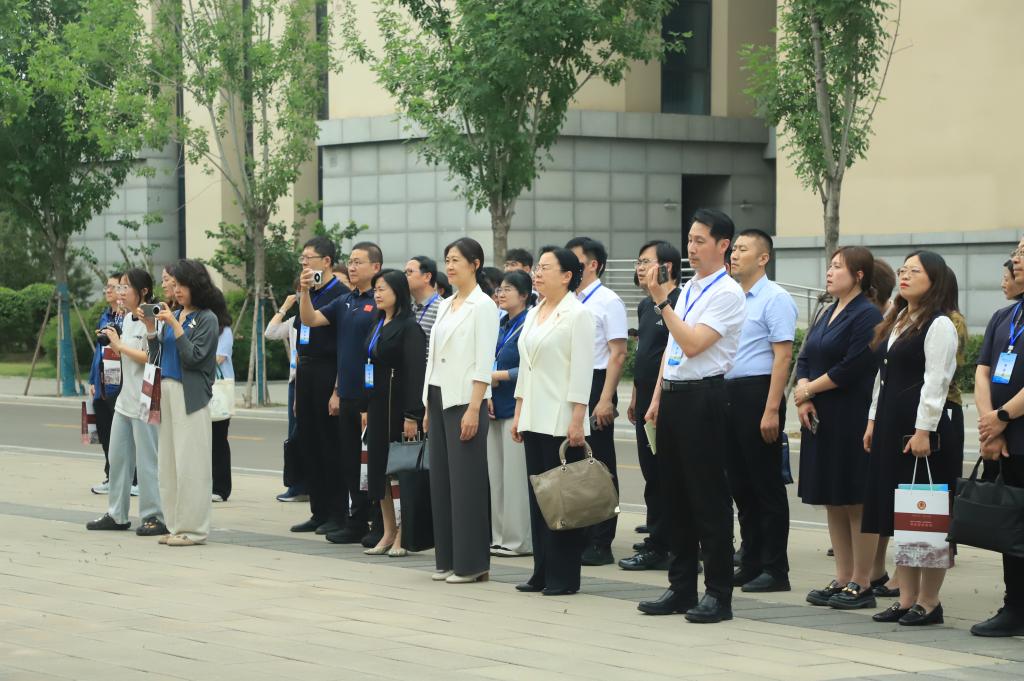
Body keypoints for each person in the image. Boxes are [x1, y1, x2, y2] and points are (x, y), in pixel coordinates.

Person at [637, 209, 746, 624]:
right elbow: (672, 350)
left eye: (700, 241)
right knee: (675, 496)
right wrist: (657, 396)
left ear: (723, 245)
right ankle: (681, 586)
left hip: (705, 398)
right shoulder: (690, 289)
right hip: (674, 396)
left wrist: (662, 302)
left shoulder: (727, 293)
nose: (691, 248)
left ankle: (718, 593)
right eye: (690, 240)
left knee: (708, 499)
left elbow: (694, 343)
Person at [860, 251, 960, 626]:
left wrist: (923, 430)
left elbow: (936, 382)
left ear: (934, 280)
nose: (904, 276)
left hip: (922, 432)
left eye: (914, 271)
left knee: (926, 516)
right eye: (903, 270)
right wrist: (873, 420)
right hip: (891, 425)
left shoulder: (940, 325)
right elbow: (882, 378)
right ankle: (905, 599)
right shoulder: (899, 317)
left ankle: (929, 602)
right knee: (902, 515)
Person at [794, 246, 883, 609]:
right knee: (833, 498)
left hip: (851, 415)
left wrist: (808, 390)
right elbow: (805, 356)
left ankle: (863, 582)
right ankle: (843, 577)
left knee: (855, 498)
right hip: (821, 416)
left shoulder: (867, 314)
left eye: (838, 267)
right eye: (829, 266)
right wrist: (804, 395)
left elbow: (853, 366)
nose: (829, 272)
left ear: (859, 275)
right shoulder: (827, 310)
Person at [511, 248, 594, 595]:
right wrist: (519, 410)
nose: (538, 273)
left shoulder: (578, 314)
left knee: (561, 500)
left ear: (567, 275)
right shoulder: (535, 312)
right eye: (537, 268)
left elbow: (582, 370)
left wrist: (577, 419)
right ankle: (541, 571)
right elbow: (526, 367)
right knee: (538, 497)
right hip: (533, 415)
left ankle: (564, 576)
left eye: (546, 268)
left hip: (561, 419)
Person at [725, 230, 798, 593]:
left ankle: (775, 568)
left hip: (758, 394)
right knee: (740, 485)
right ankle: (751, 560)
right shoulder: (731, 297)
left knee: (765, 485)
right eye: (734, 249)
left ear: (763, 258)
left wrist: (771, 410)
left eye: (742, 249)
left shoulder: (775, 298)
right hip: (728, 394)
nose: (734, 255)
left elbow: (782, 357)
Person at [423, 237, 499, 583]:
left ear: (475, 264)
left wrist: (474, 407)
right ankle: (448, 559)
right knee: (441, 483)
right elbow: (434, 356)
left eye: (456, 260)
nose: (450, 266)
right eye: (447, 260)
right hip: (439, 395)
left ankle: (472, 564)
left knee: (466, 483)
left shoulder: (483, 306)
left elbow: (483, 361)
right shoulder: (445, 304)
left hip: (465, 399)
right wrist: (428, 404)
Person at [299, 241, 382, 544]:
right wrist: (304, 292)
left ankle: (377, 522)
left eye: (359, 262)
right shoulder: (345, 300)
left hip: (369, 395)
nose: (352, 266)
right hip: (346, 392)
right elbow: (310, 319)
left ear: (376, 267)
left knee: (369, 462)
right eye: (351, 261)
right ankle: (355, 520)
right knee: (349, 460)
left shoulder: (378, 302)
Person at [142, 259, 222, 546]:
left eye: (181, 285)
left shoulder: (207, 319)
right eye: (173, 285)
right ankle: (175, 525)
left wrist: (175, 325)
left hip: (190, 397)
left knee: (191, 464)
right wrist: (151, 328)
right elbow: (156, 356)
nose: (175, 290)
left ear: (195, 285)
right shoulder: (174, 314)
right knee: (168, 465)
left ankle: (194, 529)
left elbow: (194, 357)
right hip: (166, 391)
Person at [85, 269, 166, 536]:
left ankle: (154, 516)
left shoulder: (152, 318)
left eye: (125, 287)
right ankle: (117, 514)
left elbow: (152, 357)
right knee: (118, 459)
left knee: (147, 461)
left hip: (146, 399)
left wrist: (120, 346)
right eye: (118, 287)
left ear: (143, 291)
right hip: (125, 400)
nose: (120, 293)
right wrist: (112, 342)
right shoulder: (127, 318)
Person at [971, 249, 1024, 637]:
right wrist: (991, 424)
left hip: (1010, 426)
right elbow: (982, 372)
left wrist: (1002, 416)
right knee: (1012, 526)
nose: (1017, 259)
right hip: (1006, 440)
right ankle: (1015, 606)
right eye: (1016, 252)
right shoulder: (1005, 316)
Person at [565, 237, 628, 567]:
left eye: (575, 261)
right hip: (572, 383)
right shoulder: (569, 301)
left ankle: (602, 541)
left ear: (593, 265)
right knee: (576, 463)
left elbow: (618, 353)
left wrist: (605, 399)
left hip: (597, 384)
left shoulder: (608, 301)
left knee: (600, 464)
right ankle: (582, 533)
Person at [620, 240, 681, 572]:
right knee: (651, 472)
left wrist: (655, 397)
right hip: (645, 399)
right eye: (638, 262)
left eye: (646, 262)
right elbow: (645, 352)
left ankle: (668, 544)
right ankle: (659, 538)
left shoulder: (679, 301)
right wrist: (635, 395)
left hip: (668, 399)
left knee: (668, 473)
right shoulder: (646, 306)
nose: (639, 268)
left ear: (667, 267)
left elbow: (672, 353)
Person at [362, 269, 427, 557]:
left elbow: (415, 373)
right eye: (375, 289)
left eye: (382, 289)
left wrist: (412, 415)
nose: (377, 294)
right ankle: (388, 531)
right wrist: (364, 406)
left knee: (399, 470)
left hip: (398, 405)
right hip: (377, 404)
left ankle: (403, 533)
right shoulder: (378, 323)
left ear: (398, 292)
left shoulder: (409, 327)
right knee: (379, 471)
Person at [288, 237, 348, 533]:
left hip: (328, 369)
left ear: (326, 262)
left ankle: (337, 513)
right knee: (309, 442)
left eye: (309, 258)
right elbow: (300, 339)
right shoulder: (308, 292)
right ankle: (318, 511)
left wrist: (337, 389)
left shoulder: (340, 295)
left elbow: (343, 347)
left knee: (329, 445)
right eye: (302, 258)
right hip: (306, 371)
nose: (304, 263)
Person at [487, 270, 534, 558]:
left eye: (508, 289)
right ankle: (499, 536)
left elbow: (531, 366)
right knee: (497, 478)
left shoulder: (529, 323)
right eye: (499, 289)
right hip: (495, 404)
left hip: (516, 406)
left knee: (515, 478)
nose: (501, 294)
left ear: (524, 295)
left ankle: (518, 540)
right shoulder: (501, 323)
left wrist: (499, 376)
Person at [265, 280, 307, 502]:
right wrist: (284, 307)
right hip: (294, 382)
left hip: (310, 382)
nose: (300, 295)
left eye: (304, 290)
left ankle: (303, 486)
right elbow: (270, 332)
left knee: (304, 436)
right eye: (298, 291)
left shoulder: (318, 318)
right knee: (294, 436)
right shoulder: (294, 321)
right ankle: (297, 485)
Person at [89, 273, 125, 495]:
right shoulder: (105, 316)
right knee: (104, 431)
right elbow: (99, 352)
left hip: (120, 384)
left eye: (114, 287)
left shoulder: (128, 317)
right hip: (102, 382)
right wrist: (93, 380)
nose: (108, 290)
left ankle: (126, 478)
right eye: (107, 287)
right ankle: (111, 475)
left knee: (119, 434)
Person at [211, 303, 234, 503]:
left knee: (218, 440)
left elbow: (218, 359)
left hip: (218, 390)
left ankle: (221, 488)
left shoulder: (224, 331)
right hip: (202, 389)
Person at [405, 256, 441, 343]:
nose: (405, 277)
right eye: (405, 273)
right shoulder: (408, 308)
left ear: (427, 277)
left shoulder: (442, 308)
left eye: (409, 272)